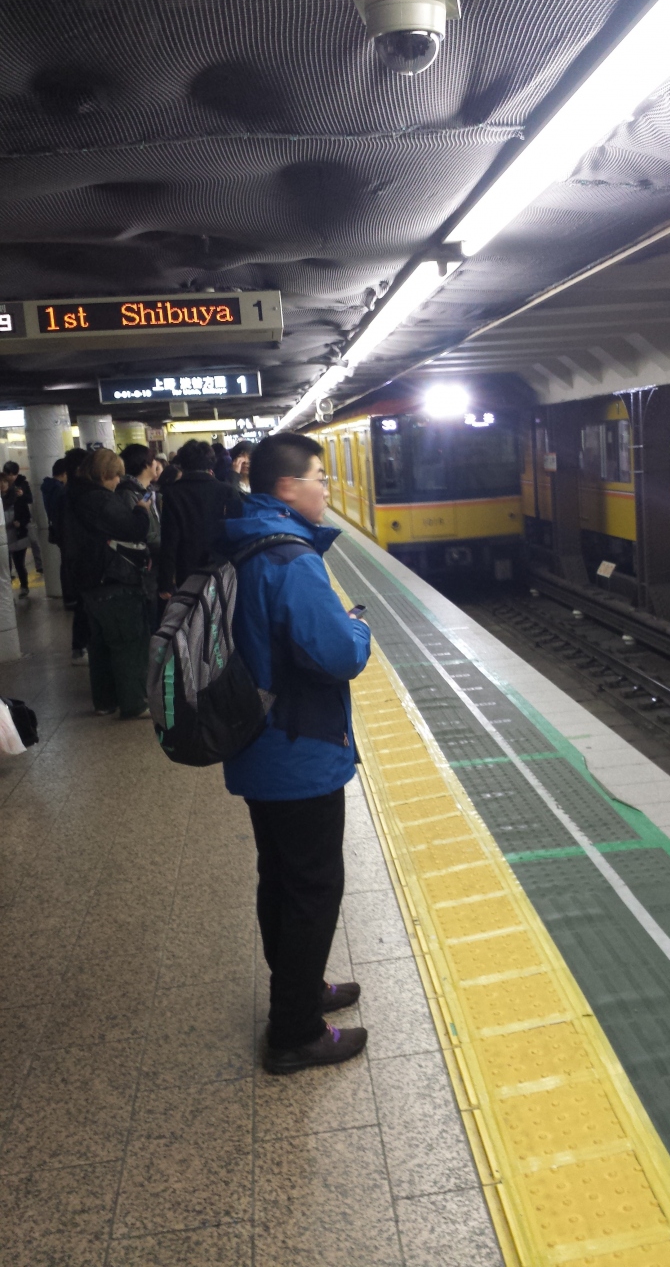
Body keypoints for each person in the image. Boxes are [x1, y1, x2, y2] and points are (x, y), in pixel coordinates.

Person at [221, 432, 371, 1075]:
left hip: (256, 741)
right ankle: (294, 1033)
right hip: (299, 746)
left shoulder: (243, 542)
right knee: (313, 887)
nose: (327, 489)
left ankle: (300, 989)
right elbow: (337, 654)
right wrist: (358, 628)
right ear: (288, 487)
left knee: (281, 877)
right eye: (320, 477)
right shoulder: (292, 559)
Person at [63, 448, 153, 718]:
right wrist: (142, 511)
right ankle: (135, 703)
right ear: (104, 474)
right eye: (115, 476)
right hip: (113, 578)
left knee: (100, 645)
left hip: (87, 580)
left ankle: (104, 702)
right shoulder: (99, 500)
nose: (117, 482)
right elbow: (134, 529)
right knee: (128, 642)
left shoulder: (70, 496)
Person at [158, 439, 242, 599]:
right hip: (222, 568)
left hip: (187, 570)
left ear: (182, 463)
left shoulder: (173, 494)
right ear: (211, 463)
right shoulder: (227, 491)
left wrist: (165, 583)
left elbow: (169, 540)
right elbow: (237, 534)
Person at [117, 444, 162, 628]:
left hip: (155, 560)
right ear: (145, 464)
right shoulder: (128, 493)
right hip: (145, 564)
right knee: (149, 612)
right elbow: (136, 531)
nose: (157, 464)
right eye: (153, 461)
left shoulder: (148, 491)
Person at [60, 447, 93, 662]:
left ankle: (80, 646)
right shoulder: (80, 493)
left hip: (73, 556)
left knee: (84, 601)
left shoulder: (67, 491)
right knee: (86, 602)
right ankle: (80, 646)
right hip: (83, 555)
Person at [2, 460, 42, 576]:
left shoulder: (22, 483)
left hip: (23, 519)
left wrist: (22, 495)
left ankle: (39, 565)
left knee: (33, 541)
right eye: (9, 475)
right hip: (7, 521)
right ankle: (9, 572)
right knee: (7, 548)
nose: (11, 477)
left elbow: (29, 499)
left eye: (13, 475)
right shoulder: (3, 484)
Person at [1, 469, 32, 598]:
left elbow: (27, 515)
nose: (2, 484)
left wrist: (20, 522)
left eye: (4, 482)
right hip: (3, 537)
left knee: (19, 564)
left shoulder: (17, 497)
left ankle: (24, 586)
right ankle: (7, 593)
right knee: (5, 567)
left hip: (18, 535)